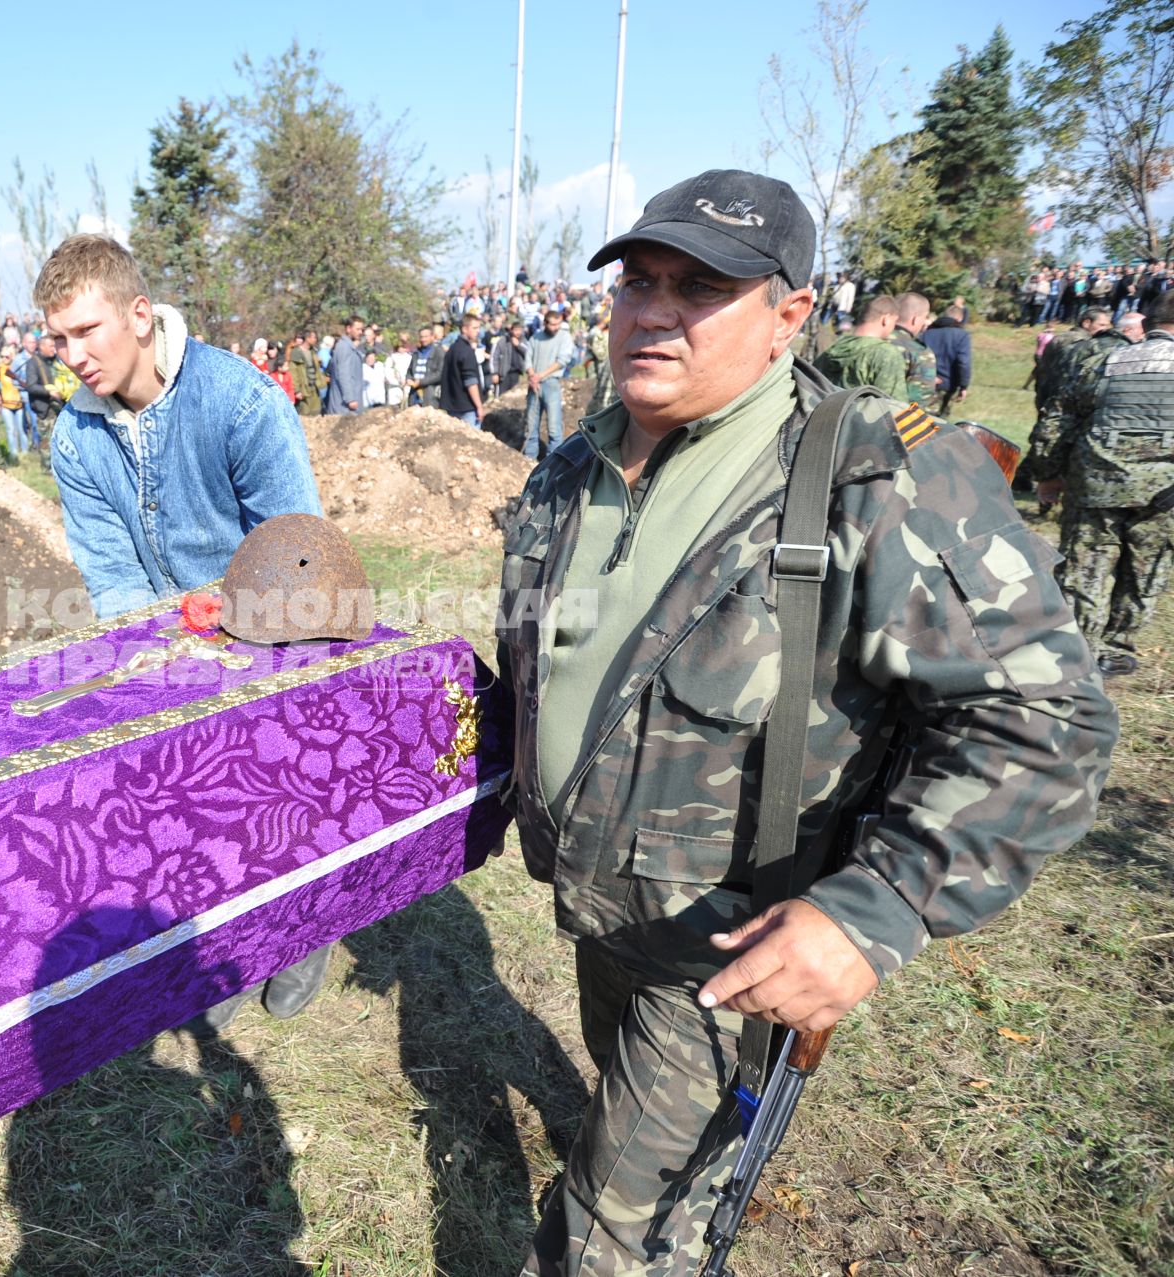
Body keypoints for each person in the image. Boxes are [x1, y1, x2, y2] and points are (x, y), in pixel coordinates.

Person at [501, 169, 1116, 1276]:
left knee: (607, 1246)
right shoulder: (566, 467)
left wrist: (876, 908)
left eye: (702, 288)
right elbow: (550, 664)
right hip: (599, 911)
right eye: (639, 280)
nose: (652, 310)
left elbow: (1046, 720)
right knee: (629, 1125)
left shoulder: (875, 472)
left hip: (735, 951)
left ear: (789, 316)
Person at [36, 232, 334, 1022]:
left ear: (139, 314)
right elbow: (111, 574)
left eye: (86, 331)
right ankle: (226, 942)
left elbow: (297, 552)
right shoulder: (76, 436)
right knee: (199, 804)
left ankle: (307, 924)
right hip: (171, 641)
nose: (72, 355)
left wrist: (252, 657)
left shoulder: (239, 401)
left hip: (271, 625)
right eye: (59, 338)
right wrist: (160, 667)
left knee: (283, 792)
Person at [1036, 291, 1174, 678]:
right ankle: (1117, 648)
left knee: (1085, 568)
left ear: (1145, 326)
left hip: (1097, 481)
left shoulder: (1104, 361)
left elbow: (1057, 419)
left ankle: (1077, 650)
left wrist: (1048, 473)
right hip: (1164, 493)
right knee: (1145, 570)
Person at [1030, 306, 1126, 515]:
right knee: (1059, 451)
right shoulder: (1077, 344)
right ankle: (1049, 498)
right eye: (1101, 325)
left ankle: (1044, 497)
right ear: (1086, 323)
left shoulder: (1061, 339)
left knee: (1051, 448)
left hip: (1052, 400)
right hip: (1065, 402)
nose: (1105, 329)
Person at [813, 294, 907, 398]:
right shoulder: (886, 354)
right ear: (886, 319)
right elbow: (895, 406)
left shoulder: (833, 346)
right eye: (894, 322)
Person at [523, 307, 573, 458]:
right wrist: (532, 376)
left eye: (558, 324)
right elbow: (527, 359)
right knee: (531, 426)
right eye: (552, 324)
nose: (555, 328)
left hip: (552, 384)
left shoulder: (564, 337)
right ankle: (529, 460)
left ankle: (552, 462)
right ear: (545, 323)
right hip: (534, 385)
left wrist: (540, 375)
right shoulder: (535, 338)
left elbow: (562, 360)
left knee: (554, 428)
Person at [921, 303, 974, 416]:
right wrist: (963, 386)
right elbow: (963, 362)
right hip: (948, 385)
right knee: (941, 424)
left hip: (925, 381)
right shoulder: (962, 335)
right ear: (959, 318)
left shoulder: (926, 333)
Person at [889, 292, 939, 409]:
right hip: (896, 421)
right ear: (915, 319)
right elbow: (922, 400)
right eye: (924, 317)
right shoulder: (918, 352)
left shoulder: (872, 340)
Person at [440, 312, 486, 428]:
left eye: (478, 328)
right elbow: (470, 382)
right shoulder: (466, 351)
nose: (478, 331)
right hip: (468, 408)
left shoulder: (452, 349)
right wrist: (479, 406)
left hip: (452, 406)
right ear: (465, 329)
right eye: (474, 328)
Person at [323, 316, 365, 415]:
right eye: (357, 329)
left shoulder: (350, 347)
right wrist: (350, 399)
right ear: (348, 329)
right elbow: (343, 375)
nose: (360, 332)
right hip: (343, 406)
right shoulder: (344, 347)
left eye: (361, 329)